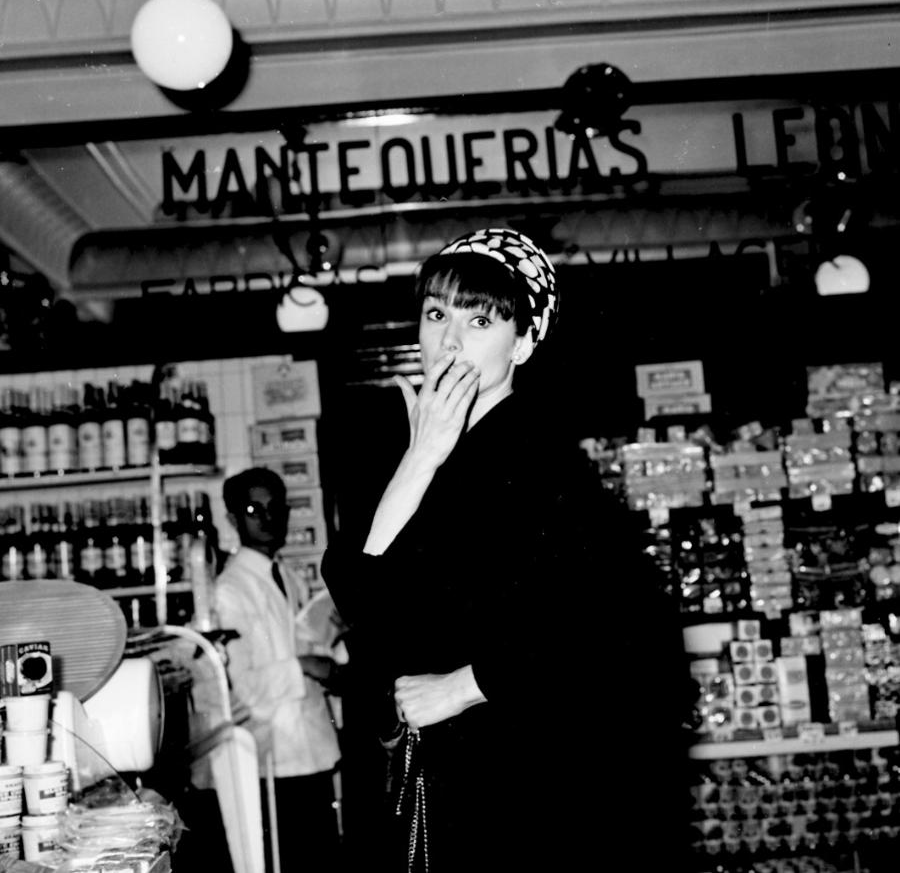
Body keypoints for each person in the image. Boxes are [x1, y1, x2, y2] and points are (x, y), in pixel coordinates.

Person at [322, 228, 691, 872]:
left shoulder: (538, 459)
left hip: (526, 776)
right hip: (442, 775)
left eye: (480, 319)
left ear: (522, 342)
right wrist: (422, 456)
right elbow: (358, 591)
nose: (451, 339)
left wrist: (467, 685)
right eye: (436, 314)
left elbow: (615, 628)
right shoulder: (411, 443)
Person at [215, 467, 344, 873]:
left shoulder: (288, 577)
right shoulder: (228, 591)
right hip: (271, 764)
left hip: (312, 754)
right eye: (255, 510)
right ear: (234, 519)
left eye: (276, 508)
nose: (269, 519)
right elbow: (244, 685)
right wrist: (304, 663)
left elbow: (305, 647)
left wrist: (331, 648)